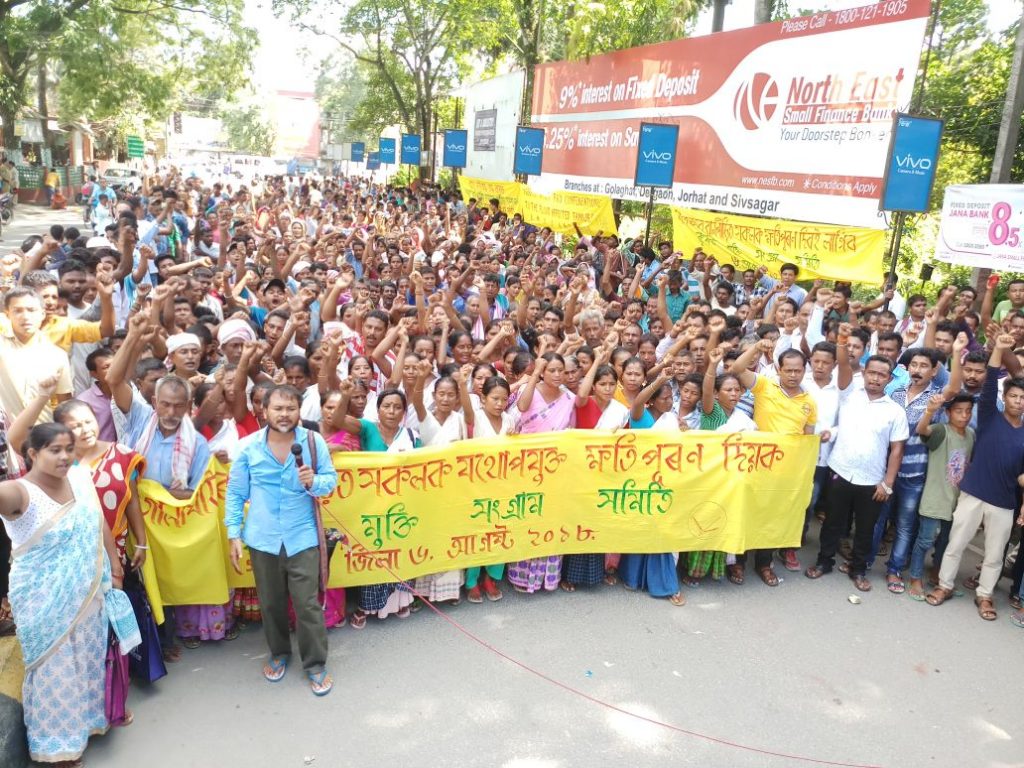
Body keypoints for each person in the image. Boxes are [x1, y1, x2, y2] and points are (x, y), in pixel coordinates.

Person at [0, 423, 130, 763]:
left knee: (86, 659)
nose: (63, 457)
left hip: (88, 592)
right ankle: (55, 747)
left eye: (68, 449)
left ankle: (87, 725)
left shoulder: (80, 478)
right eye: (54, 450)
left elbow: (98, 520)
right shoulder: (19, 492)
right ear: (32, 454)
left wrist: (115, 567)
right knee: (53, 668)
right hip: (42, 600)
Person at [226, 385, 337, 695]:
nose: (284, 414)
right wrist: (233, 534)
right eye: (278, 408)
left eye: (290, 408)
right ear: (264, 411)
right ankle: (279, 653)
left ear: (299, 411)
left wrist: (315, 481)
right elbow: (235, 493)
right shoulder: (248, 447)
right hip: (262, 539)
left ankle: (315, 663)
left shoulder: (313, 443)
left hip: (302, 538)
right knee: (271, 603)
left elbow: (331, 480)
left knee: (307, 604)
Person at [927, 334, 1024, 621]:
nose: (1019, 401)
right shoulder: (989, 417)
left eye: (1023, 398)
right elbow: (992, 375)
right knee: (955, 544)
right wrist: (1000, 347)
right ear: (1004, 398)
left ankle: (984, 595)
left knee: (994, 555)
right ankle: (944, 586)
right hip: (974, 493)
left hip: (1004, 501)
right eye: (1014, 396)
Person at [806, 324, 908, 592]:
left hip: (872, 480)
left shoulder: (895, 411)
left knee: (864, 530)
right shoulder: (849, 393)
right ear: (864, 373)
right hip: (840, 471)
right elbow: (842, 363)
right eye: (871, 372)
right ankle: (823, 562)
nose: (875, 378)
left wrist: (887, 483)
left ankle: (859, 570)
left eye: (881, 375)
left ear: (889, 379)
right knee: (832, 523)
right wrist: (841, 340)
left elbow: (897, 449)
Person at [508, 352, 575, 593]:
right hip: (527, 468)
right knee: (529, 518)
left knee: (551, 521)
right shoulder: (531, 392)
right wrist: (533, 375)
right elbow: (522, 406)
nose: (557, 375)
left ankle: (546, 578)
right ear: (543, 372)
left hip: (556, 470)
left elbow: (572, 431)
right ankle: (521, 576)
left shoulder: (569, 397)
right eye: (552, 370)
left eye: (561, 371)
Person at [906, 393, 975, 600]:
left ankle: (937, 574)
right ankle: (915, 578)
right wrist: (929, 411)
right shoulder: (941, 432)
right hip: (935, 499)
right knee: (925, 540)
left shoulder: (971, 434)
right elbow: (922, 430)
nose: (964, 416)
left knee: (945, 542)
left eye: (968, 411)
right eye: (958, 411)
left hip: (956, 501)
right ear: (948, 413)